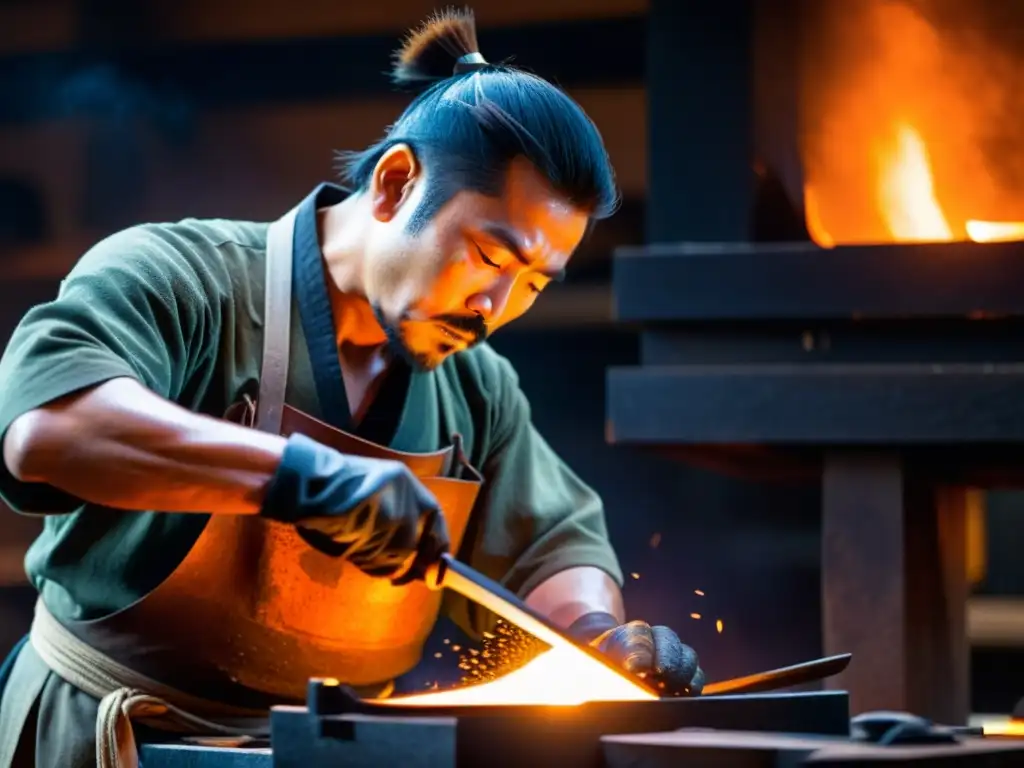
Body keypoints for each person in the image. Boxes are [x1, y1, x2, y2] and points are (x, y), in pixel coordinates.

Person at [0, 9, 703, 767]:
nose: (496, 308)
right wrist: (300, 478)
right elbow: (49, 429)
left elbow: (551, 548)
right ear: (397, 183)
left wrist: (600, 638)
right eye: (491, 258)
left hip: (332, 754)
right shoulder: (183, 280)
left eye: (534, 282)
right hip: (111, 739)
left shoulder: (477, 390)